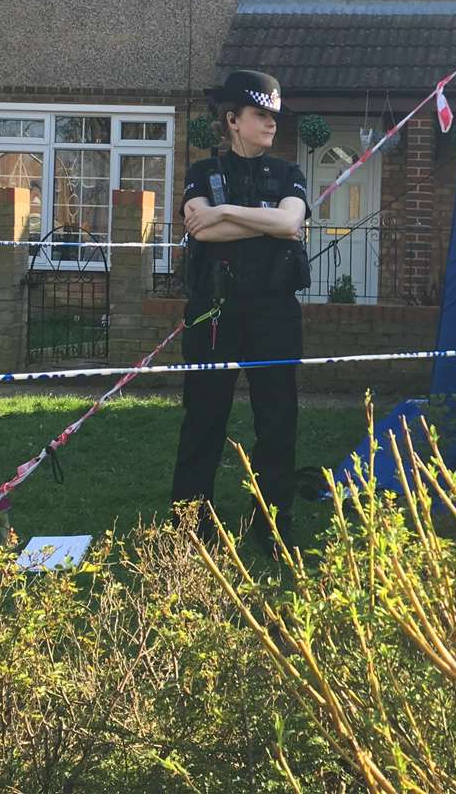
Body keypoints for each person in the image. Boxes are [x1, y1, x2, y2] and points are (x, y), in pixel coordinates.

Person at [173, 68, 311, 550]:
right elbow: (202, 232)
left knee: (278, 419)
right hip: (214, 311)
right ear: (233, 119)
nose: (271, 122)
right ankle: (190, 524)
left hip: (274, 313)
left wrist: (227, 211)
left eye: (274, 114)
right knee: (203, 418)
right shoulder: (201, 174)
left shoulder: (288, 173)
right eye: (260, 113)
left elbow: (291, 220)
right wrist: (266, 223)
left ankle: (272, 521)